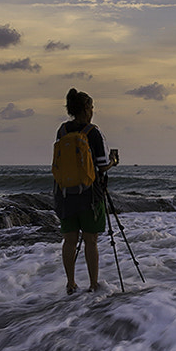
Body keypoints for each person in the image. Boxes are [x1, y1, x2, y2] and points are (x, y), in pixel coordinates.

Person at [53, 88, 113, 294]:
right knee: (91, 240)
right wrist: (113, 161)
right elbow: (102, 165)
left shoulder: (62, 131)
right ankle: (94, 284)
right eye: (92, 107)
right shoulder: (93, 132)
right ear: (86, 109)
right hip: (90, 196)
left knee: (69, 241)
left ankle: (70, 283)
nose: (93, 111)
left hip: (64, 194)